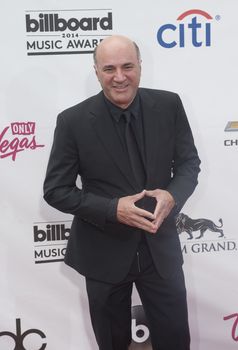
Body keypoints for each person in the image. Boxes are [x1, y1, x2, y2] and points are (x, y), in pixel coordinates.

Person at [43, 35, 200, 350]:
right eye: (109, 68)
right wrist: (112, 209)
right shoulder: (73, 121)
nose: (119, 77)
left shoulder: (169, 105)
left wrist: (172, 196)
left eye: (127, 66)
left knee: (176, 341)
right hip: (104, 254)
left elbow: (188, 165)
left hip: (161, 252)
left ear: (140, 66)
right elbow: (56, 190)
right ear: (97, 70)